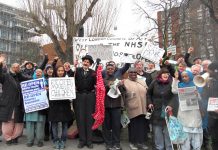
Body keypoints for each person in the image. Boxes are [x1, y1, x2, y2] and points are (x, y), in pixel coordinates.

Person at [0, 56, 30, 145]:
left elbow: (32, 81)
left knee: (18, 122)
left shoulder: (22, 77)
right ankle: (8, 138)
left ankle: (15, 137)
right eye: (14, 67)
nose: (16, 68)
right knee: (8, 121)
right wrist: (0, 64)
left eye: (18, 67)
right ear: (11, 68)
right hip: (9, 103)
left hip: (19, 103)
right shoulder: (5, 76)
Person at [172, 70, 203, 150]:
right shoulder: (180, 84)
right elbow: (174, 91)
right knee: (185, 135)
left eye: (186, 76)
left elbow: (201, 98)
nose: (185, 78)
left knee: (196, 137)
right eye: (183, 77)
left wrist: (197, 94)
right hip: (183, 113)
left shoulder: (197, 85)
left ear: (190, 76)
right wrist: (175, 79)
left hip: (194, 113)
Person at [147, 68, 176, 150]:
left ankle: (169, 148)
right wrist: (149, 103)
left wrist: (171, 105)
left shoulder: (172, 82)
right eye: (164, 73)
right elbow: (148, 93)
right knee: (157, 131)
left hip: (168, 111)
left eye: (167, 73)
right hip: (156, 110)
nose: (166, 75)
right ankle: (159, 147)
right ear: (160, 74)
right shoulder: (154, 82)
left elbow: (175, 95)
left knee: (168, 132)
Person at [48, 65, 73, 149]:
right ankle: (55, 141)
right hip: (54, 106)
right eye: (59, 70)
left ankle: (63, 141)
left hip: (64, 105)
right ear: (56, 71)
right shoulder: (51, 81)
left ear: (64, 71)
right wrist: (47, 90)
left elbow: (71, 94)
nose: (60, 72)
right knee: (54, 125)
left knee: (65, 125)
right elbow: (48, 94)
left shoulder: (68, 81)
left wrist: (72, 91)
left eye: (62, 71)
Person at [73, 55, 96, 149]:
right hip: (79, 96)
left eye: (87, 62)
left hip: (90, 96)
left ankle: (89, 141)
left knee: (90, 119)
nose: (85, 63)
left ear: (90, 64)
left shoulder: (93, 73)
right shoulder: (77, 71)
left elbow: (97, 83)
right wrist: (74, 67)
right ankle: (82, 140)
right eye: (84, 61)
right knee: (80, 118)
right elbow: (69, 76)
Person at [102, 62, 126, 150]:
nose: (110, 70)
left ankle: (117, 143)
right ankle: (108, 143)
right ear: (106, 70)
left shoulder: (118, 79)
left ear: (114, 69)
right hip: (106, 106)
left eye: (111, 69)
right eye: (108, 69)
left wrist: (121, 85)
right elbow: (100, 90)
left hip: (116, 106)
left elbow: (123, 92)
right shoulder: (103, 79)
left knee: (116, 125)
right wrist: (107, 85)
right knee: (106, 126)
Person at [123, 67, 148, 150]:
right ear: (128, 73)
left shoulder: (142, 81)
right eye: (131, 72)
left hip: (143, 107)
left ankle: (141, 142)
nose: (133, 74)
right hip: (132, 107)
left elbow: (147, 92)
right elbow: (122, 95)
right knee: (133, 126)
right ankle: (132, 142)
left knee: (142, 126)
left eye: (134, 72)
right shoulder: (125, 82)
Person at [25, 69, 47, 147]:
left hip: (41, 108)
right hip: (30, 107)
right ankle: (30, 140)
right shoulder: (28, 83)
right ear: (34, 73)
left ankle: (40, 140)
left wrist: (46, 90)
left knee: (40, 124)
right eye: (36, 72)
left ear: (42, 74)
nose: (38, 73)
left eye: (40, 72)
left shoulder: (46, 83)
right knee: (29, 124)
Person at [201, 61, 218, 149]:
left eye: (209, 70)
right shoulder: (209, 81)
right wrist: (206, 86)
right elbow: (205, 96)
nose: (208, 72)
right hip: (212, 115)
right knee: (214, 139)